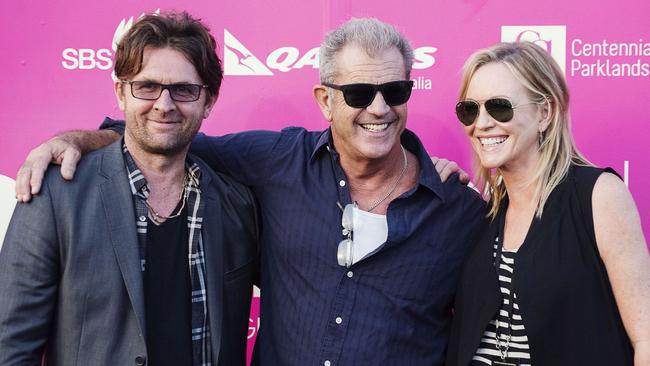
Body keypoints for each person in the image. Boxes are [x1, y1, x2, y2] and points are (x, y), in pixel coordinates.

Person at [14, 18, 484, 365]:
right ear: (326, 100)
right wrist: (76, 139)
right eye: (360, 93)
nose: (379, 108)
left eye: (395, 90)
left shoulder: (456, 208)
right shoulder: (276, 163)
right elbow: (163, 136)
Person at [0, 12, 259, 366]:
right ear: (121, 93)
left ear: (208, 101)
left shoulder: (236, 204)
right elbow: (10, 345)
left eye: (184, 90)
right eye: (147, 86)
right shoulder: (57, 196)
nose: (164, 105)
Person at [446, 41, 650, 366]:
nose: (481, 123)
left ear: (545, 112)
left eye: (499, 107)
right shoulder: (484, 213)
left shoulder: (599, 196)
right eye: (470, 109)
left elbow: (646, 337)